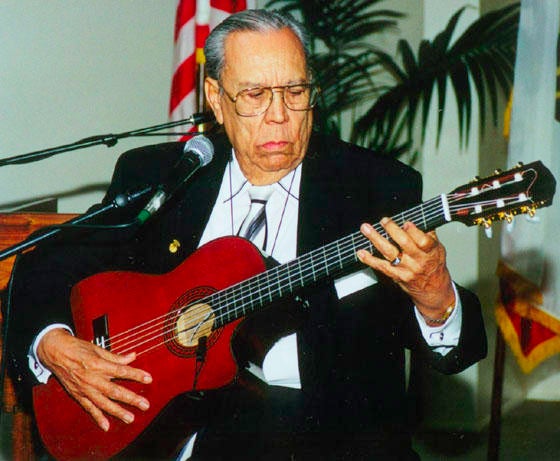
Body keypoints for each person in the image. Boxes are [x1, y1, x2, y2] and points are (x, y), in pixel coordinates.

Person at [7, 9, 487, 461]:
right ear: (216, 98)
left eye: (295, 92)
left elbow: (448, 350)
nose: (279, 114)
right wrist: (53, 343)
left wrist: (435, 297)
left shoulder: (374, 187)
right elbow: (41, 264)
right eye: (255, 96)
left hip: (325, 440)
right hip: (165, 435)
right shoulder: (165, 174)